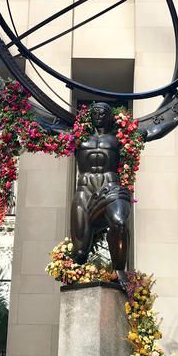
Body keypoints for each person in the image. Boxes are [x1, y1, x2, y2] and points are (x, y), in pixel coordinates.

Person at [71, 102, 132, 271]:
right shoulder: (78, 137)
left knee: (120, 223)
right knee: (80, 253)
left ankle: (119, 272)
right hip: (85, 191)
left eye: (103, 113)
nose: (98, 116)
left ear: (111, 116)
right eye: (95, 113)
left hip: (110, 188)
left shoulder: (119, 138)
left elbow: (153, 130)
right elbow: (46, 129)